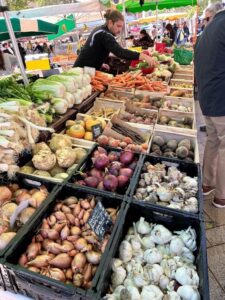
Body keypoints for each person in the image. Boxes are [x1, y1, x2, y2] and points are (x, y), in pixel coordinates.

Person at [194, 2, 225, 208]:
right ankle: (221, 196)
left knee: (213, 140)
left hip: (207, 99)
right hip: (221, 98)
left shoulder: (206, 32)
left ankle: (207, 184)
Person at [74, 9, 155, 70]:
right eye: (118, 26)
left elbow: (92, 50)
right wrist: (143, 56)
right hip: (82, 71)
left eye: (121, 27)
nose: (120, 30)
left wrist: (100, 63)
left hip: (87, 68)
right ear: (110, 22)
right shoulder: (105, 34)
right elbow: (120, 52)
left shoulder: (100, 30)